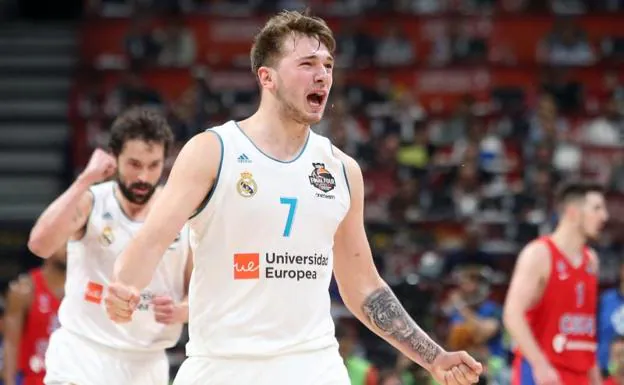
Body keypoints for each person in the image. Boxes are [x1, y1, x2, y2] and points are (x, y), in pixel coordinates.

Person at [104, 10, 483, 385]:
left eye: (328, 65)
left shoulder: (342, 169)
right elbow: (150, 242)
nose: (322, 75)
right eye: (307, 63)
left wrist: (434, 356)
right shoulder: (213, 151)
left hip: (313, 366)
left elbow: (364, 286)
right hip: (223, 365)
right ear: (266, 77)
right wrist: (124, 287)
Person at [27, 107, 192, 385]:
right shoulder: (91, 201)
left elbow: (197, 288)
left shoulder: (178, 215)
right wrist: (85, 179)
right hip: (83, 354)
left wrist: (184, 310)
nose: (143, 176)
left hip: (147, 363)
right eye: (134, 164)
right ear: (114, 157)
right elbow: (40, 244)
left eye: (153, 165)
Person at [503, 181, 608, 385]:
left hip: (580, 373)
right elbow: (512, 314)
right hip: (545, 372)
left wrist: (594, 372)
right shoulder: (539, 254)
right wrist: (539, 364)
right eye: (596, 208)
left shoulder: (591, 260)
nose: (604, 216)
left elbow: (585, 326)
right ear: (573, 212)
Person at [3, 249, 65, 385]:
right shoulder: (24, 289)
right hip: (35, 378)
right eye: (64, 240)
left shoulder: (87, 289)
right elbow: (11, 344)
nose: (68, 247)